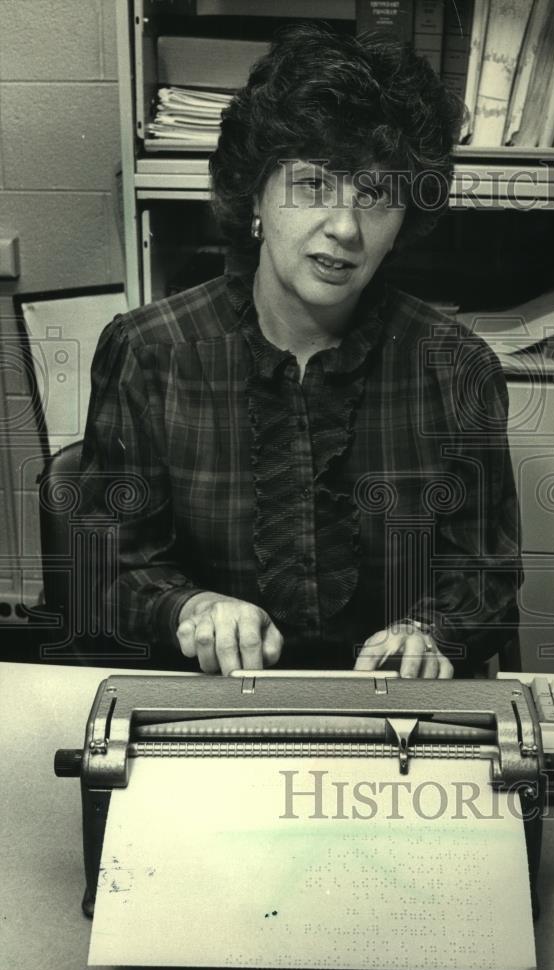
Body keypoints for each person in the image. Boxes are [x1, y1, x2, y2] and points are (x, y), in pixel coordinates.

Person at [79, 24, 522, 677]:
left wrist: (432, 630)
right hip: (207, 712)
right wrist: (190, 606)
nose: (344, 227)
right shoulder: (150, 352)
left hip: (395, 719)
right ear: (256, 193)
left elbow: (486, 578)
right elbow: (105, 566)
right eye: (314, 184)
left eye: (373, 194)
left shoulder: (456, 369)